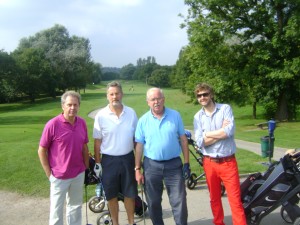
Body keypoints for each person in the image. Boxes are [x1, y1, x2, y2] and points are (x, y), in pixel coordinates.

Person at [135, 87, 190, 225]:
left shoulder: (175, 115)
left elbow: (183, 139)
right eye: (153, 99)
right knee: (153, 201)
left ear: (163, 99)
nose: (156, 102)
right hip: (151, 166)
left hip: (174, 165)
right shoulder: (143, 120)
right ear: (148, 102)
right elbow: (139, 146)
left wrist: (187, 163)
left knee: (180, 200)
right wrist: (137, 169)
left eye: (159, 98)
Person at [193, 83, 247, 225]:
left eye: (205, 94)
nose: (202, 97)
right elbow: (199, 142)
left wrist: (207, 135)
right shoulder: (197, 117)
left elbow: (229, 131)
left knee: (235, 200)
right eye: (199, 95)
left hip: (228, 162)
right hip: (209, 162)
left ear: (211, 94)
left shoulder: (225, 109)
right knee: (214, 199)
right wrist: (220, 132)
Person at [38, 91, 89, 225]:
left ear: (79, 106)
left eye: (75, 105)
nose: (72, 108)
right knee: (56, 210)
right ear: (63, 106)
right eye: (69, 104)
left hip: (78, 173)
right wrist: (49, 174)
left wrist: (86, 168)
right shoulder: (53, 124)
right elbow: (41, 150)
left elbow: (84, 147)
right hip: (59, 176)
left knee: (75, 207)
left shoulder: (82, 123)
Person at [93, 81, 138, 225]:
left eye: (117, 93)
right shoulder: (101, 115)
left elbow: (136, 140)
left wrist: (138, 161)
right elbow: (97, 142)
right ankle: (115, 223)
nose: (115, 96)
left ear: (122, 94)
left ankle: (131, 222)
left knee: (129, 194)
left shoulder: (131, 113)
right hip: (109, 160)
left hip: (128, 158)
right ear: (107, 96)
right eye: (111, 94)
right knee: (111, 195)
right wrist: (98, 163)